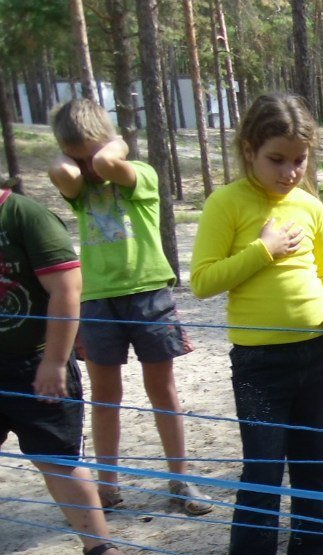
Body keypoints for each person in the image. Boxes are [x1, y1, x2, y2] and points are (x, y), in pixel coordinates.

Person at [190, 93, 323, 555]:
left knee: (312, 467)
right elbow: (202, 281)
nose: (290, 171)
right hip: (260, 362)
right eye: (276, 160)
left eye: (299, 160)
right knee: (262, 470)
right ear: (248, 150)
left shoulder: (309, 204)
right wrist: (262, 249)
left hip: (316, 353)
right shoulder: (228, 203)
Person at [46, 98, 211, 517]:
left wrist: (109, 145)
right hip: (98, 299)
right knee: (105, 396)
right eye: (76, 155)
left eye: (89, 152)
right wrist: (74, 156)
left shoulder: (142, 175)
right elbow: (59, 172)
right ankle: (108, 484)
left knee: (162, 389)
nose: (85, 165)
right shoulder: (80, 190)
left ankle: (181, 478)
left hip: (148, 293)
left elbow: (105, 163)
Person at [0, 187, 145, 555]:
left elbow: (66, 288)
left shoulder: (24, 216)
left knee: (59, 458)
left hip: (37, 363)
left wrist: (54, 361)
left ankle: (98, 548)